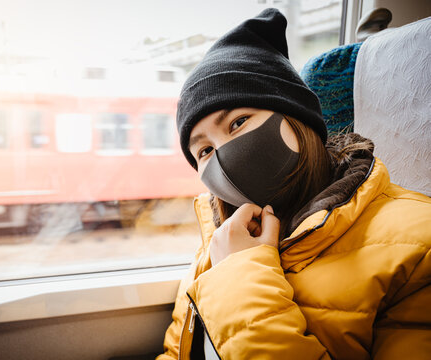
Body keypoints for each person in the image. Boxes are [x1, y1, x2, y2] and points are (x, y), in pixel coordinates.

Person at [157, 8, 431, 360]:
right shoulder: (219, 239)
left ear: (297, 119)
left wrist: (239, 275)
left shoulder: (418, 245)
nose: (224, 155)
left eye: (238, 122)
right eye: (204, 149)